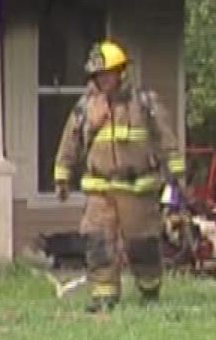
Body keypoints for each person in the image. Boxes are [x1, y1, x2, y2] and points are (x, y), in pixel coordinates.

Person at [53, 40, 184, 313]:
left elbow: (167, 139)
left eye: (107, 74)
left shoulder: (144, 103)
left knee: (142, 243)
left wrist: (177, 176)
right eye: (98, 76)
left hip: (137, 189)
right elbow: (70, 142)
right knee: (99, 241)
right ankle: (104, 297)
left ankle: (149, 290)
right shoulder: (86, 107)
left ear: (121, 72)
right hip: (100, 187)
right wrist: (62, 177)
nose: (103, 80)